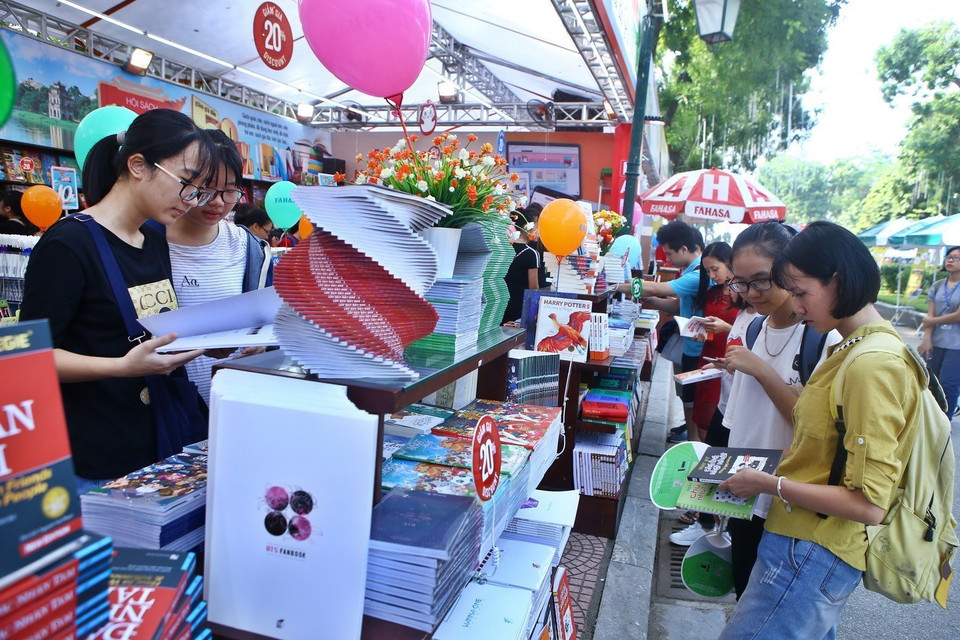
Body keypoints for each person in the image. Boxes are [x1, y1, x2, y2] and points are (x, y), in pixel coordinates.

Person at [717, 221, 922, 638]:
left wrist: (771, 485)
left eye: (800, 292)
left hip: (809, 548)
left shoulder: (870, 362)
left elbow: (869, 503)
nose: (797, 305)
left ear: (836, 281)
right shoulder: (854, 346)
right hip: (800, 540)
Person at [20, 109, 214, 492]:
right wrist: (121, 367)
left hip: (160, 440)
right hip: (96, 454)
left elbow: (152, 322)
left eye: (199, 190)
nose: (192, 201)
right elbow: (32, 358)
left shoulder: (155, 240)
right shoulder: (67, 245)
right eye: (186, 183)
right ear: (138, 165)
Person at [163, 129, 273, 404]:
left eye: (230, 191)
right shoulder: (146, 243)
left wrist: (261, 345)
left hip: (235, 400)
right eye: (207, 189)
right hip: (170, 407)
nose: (217, 202)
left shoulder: (250, 249)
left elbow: (268, 324)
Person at [632, 220, 706, 442]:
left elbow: (656, 286)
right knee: (686, 397)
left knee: (692, 401)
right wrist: (652, 299)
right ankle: (690, 439)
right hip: (690, 344)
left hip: (697, 346)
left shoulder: (696, 274)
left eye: (670, 254)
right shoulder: (690, 271)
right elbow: (677, 305)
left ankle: (693, 445)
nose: (668, 260)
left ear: (685, 249)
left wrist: (622, 286)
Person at [919, 245, 960, 419]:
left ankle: (945, 420)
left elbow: (958, 316)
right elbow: (931, 314)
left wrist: (931, 321)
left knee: (949, 384)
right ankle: (931, 421)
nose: (950, 260)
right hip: (937, 341)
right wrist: (927, 338)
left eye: (956, 258)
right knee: (931, 383)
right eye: (949, 257)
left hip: (956, 345)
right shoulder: (937, 285)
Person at [502, 204, 543, 323]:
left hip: (500, 307)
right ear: (527, 227)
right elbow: (534, 289)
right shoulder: (531, 254)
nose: (539, 231)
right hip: (518, 312)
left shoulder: (505, 247)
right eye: (537, 226)